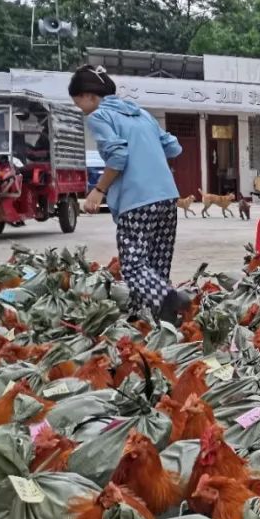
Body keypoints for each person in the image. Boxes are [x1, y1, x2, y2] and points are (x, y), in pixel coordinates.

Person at [68, 65, 189, 324]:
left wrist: (98, 190)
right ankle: (150, 318)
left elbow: (118, 156)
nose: (81, 109)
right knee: (156, 266)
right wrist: (148, 154)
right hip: (167, 197)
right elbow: (174, 147)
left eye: (79, 103)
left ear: (89, 95)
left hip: (137, 202)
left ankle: (169, 298)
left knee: (134, 267)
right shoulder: (142, 114)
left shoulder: (99, 116)